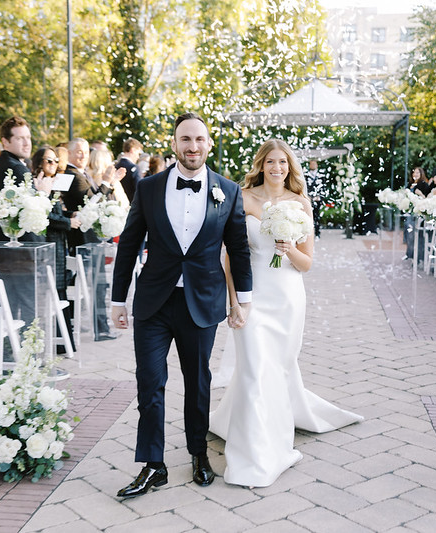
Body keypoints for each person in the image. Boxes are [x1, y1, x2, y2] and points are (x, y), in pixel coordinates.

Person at [110, 112, 252, 498]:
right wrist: (117, 299)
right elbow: (130, 243)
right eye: (185, 140)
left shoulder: (228, 190)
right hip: (154, 302)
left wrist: (244, 299)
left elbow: (238, 248)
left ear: (208, 144)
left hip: (202, 302)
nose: (192, 147)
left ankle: (198, 454)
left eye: (199, 140)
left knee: (198, 383)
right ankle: (153, 465)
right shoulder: (150, 187)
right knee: (150, 383)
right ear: (174, 144)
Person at [210, 139, 362, 488]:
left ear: (290, 167)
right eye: (270, 162)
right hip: (252, 295)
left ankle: (267, 434)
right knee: (252, 370)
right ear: (261, 165)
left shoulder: (300, 203)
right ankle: (253, 454)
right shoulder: (243, 198)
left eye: (282, 162)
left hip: (288, 297)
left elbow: (307, 264)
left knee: (274, 369)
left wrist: (289, 248)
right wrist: (234, 301)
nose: (276, 168)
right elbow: (230, 256)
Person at [31, 146, 81, 353]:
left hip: (60, 244)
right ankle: (57, 344)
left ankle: (64, 343)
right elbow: (45, 217)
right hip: (48, 244)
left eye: (55, 161)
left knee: (61, 291)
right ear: (38, 163)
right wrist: (69, 223)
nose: (54, 164)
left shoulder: (51, 185)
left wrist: (69, 215)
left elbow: (55, 212)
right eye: (48, 160)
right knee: (54, 292)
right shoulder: (36, 186)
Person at [115, 137, 143, 203]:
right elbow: (139, 190)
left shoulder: (115, 166)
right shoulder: (134, 168)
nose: (138, 157)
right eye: (138, 153)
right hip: (131, 205)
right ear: (132, 150)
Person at [305, 160, 325, 238]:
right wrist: (308, 196)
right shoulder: (306, 175)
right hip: (308, 199)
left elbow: (323, 187)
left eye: (314, 164)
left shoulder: (321, 175)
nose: (313, 165)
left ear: (317, 165)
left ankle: (317, 232)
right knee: (308, 216)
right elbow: (304, 186)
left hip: (317, 199)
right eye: (311, 164)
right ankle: (309, 232)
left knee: (317, 216)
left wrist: (319, 196)